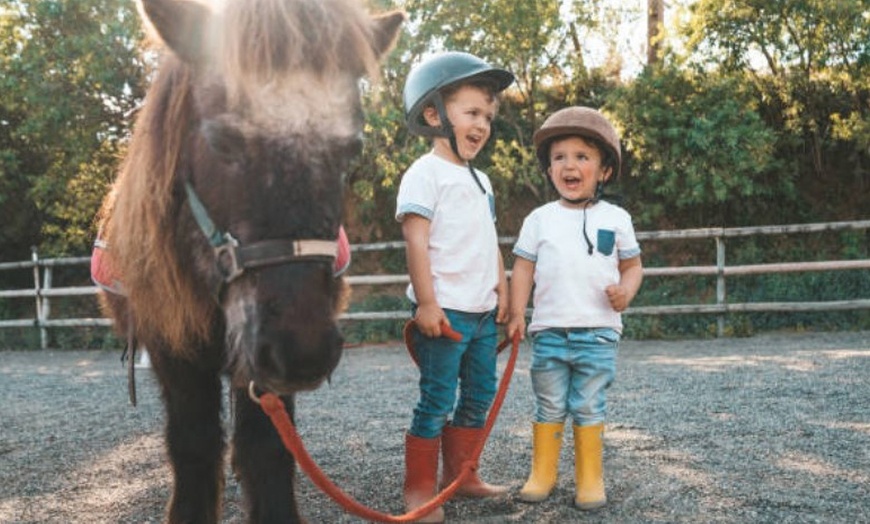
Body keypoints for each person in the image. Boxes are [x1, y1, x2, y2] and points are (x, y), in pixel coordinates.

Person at [396, 51, 514, 523]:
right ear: (433, 114)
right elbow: (416, 240)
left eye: (487, 116)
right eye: (471, 113)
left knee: (478, 395)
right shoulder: (424, 174)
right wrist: (426, 302)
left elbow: (489, 240)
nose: (482, 124)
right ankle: (419, 490)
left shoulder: (481, 179)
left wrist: (503, 289)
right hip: (444, 313)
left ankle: (462, 476)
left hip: (483, 313)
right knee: (437, 398)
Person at [506, 106, 643, 510]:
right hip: (548, 332)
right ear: (549, 169)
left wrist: (627, 290)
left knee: (587, 405)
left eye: (582, 157)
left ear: (604, 171)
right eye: (560, 157)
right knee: (548, 404)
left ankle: (589, 479)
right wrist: (516, 314)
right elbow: (523, 269)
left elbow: (633, 265)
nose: (570, 165)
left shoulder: (616, 218)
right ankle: (543, 474)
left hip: (599, 334)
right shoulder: (539, 219)